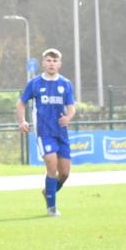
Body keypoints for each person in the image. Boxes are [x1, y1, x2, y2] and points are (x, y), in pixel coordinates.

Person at [16, 48, 76, 217]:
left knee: (64, 173)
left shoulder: (65, 84)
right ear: (43, 63)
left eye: (55, 61)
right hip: (44, 132)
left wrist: (68, 118)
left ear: (60, 64)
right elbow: (21, 103)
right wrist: (22, 121)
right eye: (49, 60)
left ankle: (48, 192)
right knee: (51, 163)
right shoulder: (35, 83)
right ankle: (51, 208)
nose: (52, 63)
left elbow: (71, 108)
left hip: (61, 133)